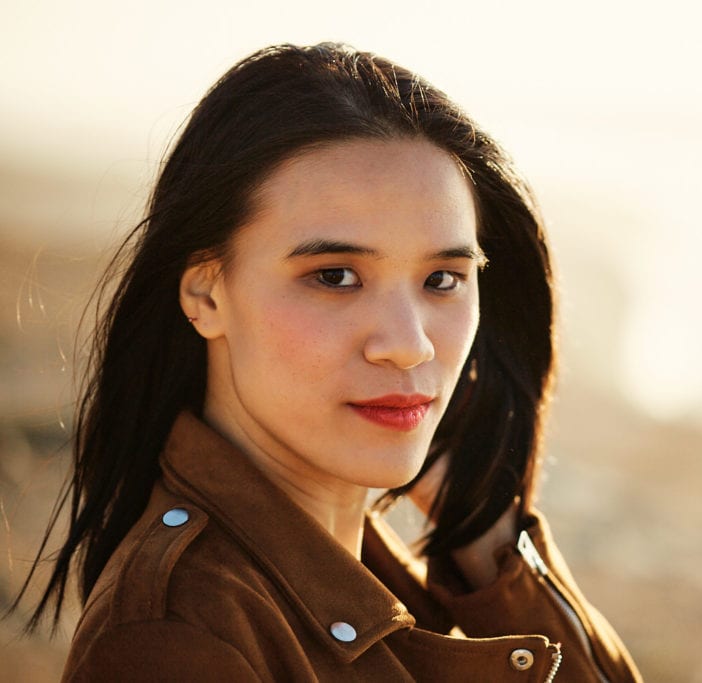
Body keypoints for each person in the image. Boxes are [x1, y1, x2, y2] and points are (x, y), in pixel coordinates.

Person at [14, 43, 642, 681]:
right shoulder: (178, 637)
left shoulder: (360, 575)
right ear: (207, 294)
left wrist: (486, 538)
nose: (409, 343)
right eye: (336, 276)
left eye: (443, 279)